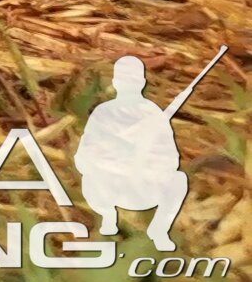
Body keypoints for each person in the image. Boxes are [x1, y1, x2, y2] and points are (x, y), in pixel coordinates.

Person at [75, 56, 188, 250]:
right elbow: (83, 156)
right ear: (117, 82)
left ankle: (159, 230)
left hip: (145, 185)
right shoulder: (104, 112)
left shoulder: (153, 114)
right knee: (90, 178)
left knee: (178, 180)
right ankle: (108, 220)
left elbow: (171, 159)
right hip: (110, 184)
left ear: (142, 83)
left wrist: (147, 162)